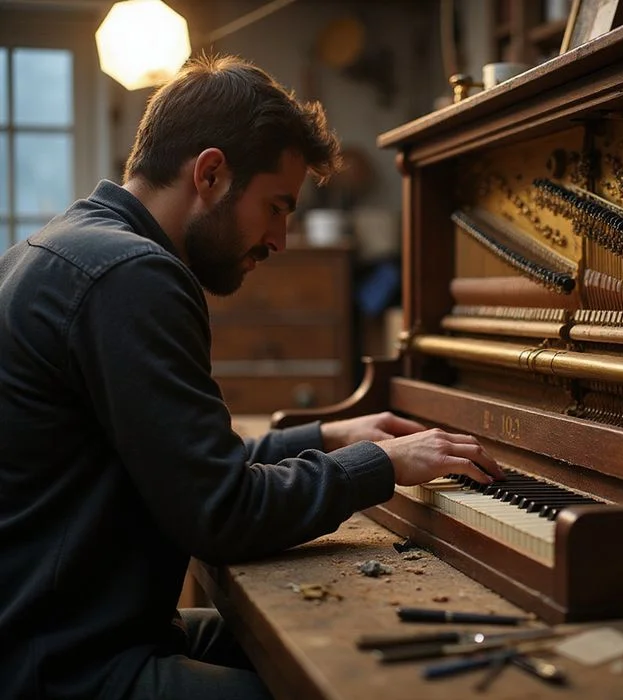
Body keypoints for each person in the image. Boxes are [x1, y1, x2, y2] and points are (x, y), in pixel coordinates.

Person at [0, 54, 502, 700]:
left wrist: (328, 439)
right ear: (210, 174)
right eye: (276, 207)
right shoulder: (131, 276)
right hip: (65, 670)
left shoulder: (68, 244)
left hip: (69, 633)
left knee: (361, 652)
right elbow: (220, 512)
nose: (281, 239)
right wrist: (381, 464)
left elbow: (193, 469)